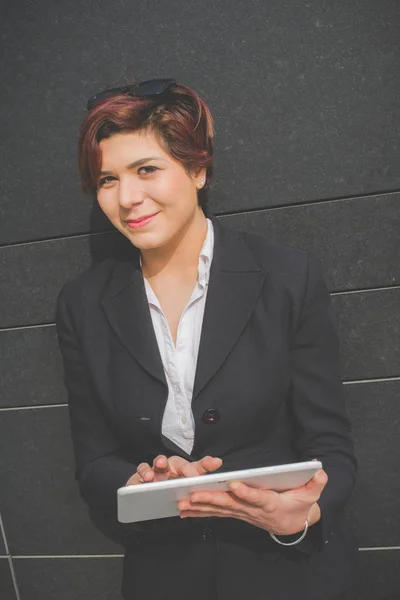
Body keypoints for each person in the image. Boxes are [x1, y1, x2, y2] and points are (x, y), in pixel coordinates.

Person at [55, 78, 359, 600]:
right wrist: (141, 482)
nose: (128, 198)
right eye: (107, 179)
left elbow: (331, 445)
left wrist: (304, 511)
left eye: (147, 169)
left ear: (197, 169)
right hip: (165, 575)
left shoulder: (286, 277)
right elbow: (93, 464)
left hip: (287, 571)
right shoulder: (82, 304)